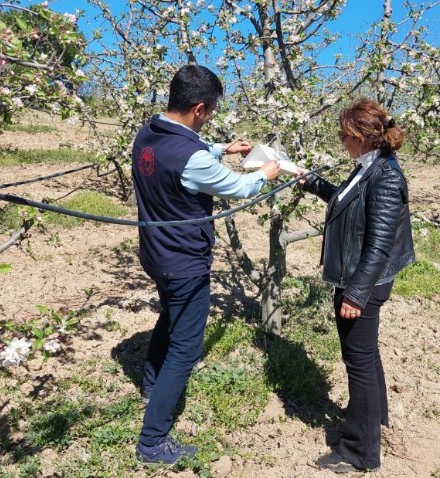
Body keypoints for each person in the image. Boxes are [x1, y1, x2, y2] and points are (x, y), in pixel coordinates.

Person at [130, 64, 281, 465]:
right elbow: (240, 187)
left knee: (171, 316)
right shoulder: (190, 158)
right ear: (199, 109)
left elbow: (184, 154)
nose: (211, 117)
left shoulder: (148, 133)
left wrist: (222, 149)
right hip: (184, 261)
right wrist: (266, 172)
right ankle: (152, 442)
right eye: (210, 111)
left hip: (155, 253)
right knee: (187, 347)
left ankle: (150, 382)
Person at [297, 99, 415, 473]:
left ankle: (360, 452)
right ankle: (375, 423)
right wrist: (314, 184)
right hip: (359, 278)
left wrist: (356, 294)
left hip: (362, 281)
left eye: (345, 135)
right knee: (366, 355)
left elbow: (379, 244)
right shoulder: (368, 167)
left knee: (358, 362)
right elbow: (348, 204)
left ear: (363, 137)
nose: (341, 140)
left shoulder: (386, 177)